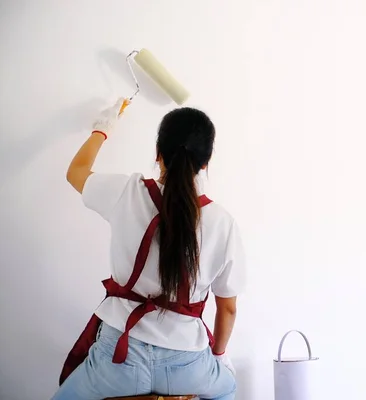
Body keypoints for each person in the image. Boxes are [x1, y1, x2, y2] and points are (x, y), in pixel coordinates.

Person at [52, 99, 246, 400]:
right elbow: (228, 308)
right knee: (228, 389)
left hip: (118, 359)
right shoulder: (223, 223)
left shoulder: (126, 193)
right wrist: (218, 355)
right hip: (188, 365)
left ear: (158, 155)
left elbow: (75, 172)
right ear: (206, 162)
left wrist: (101, 130)